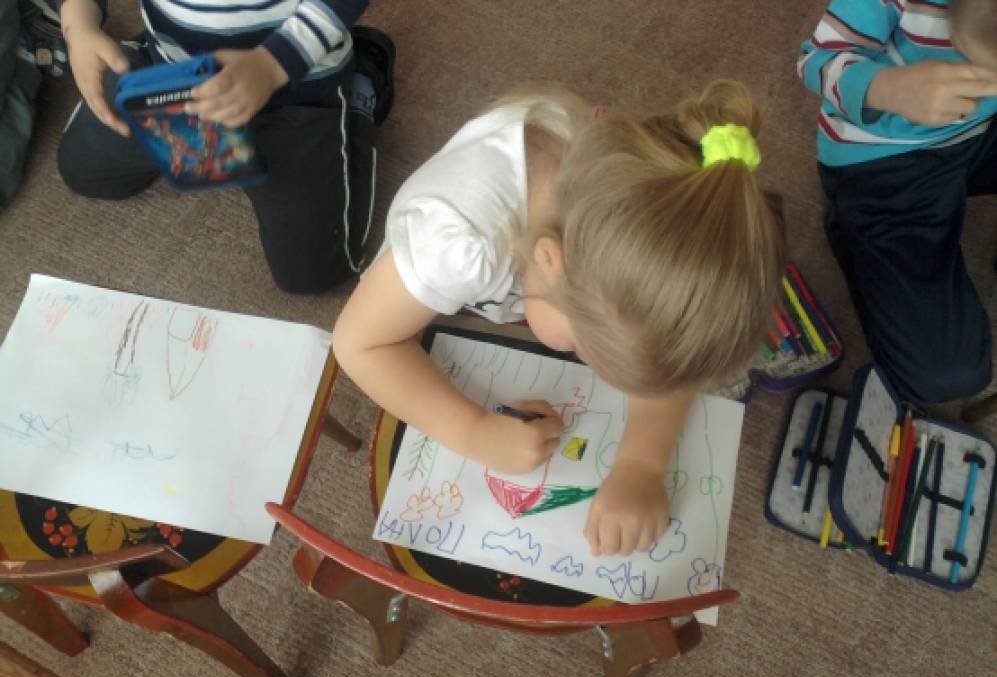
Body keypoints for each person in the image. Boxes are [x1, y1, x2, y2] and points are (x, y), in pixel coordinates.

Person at [333, 81, 786, 557]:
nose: (589, 365)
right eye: (582, 347)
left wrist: (640, 465)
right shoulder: (454, 247)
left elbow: (664, 346)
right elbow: (359, 344)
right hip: (425, 266)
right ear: (548, 262)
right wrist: (475, 433)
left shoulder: (633, 182)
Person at [56, 0, 394, 293]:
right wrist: (78, 24)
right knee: (83, 170)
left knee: (314, 272)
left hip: (296, 87)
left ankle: (360, 86)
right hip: (173, 72)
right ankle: (138, 54)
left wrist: (275, 63)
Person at [799, 0, 997, 404]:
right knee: (948, 373)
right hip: (883, 155)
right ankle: (854, 228)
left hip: (979, 132)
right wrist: (889, 87)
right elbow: (814, 61)